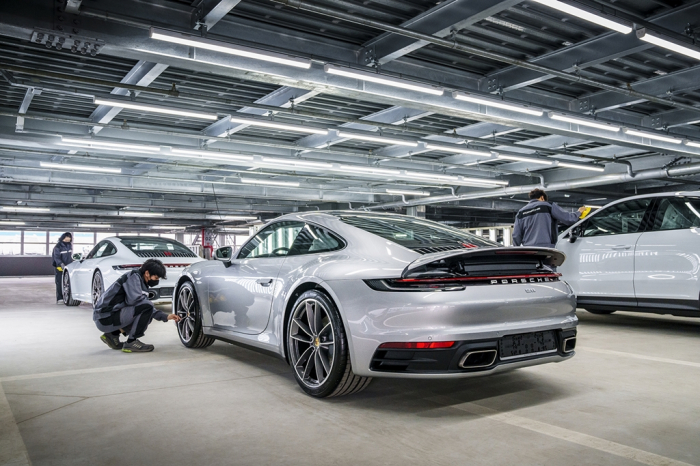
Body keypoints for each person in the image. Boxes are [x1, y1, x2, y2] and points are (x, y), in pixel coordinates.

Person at [93, 258, 180, 353]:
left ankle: (112, 335)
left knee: (147, 310)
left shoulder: (141, 282)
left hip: (109, 316)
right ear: (147, 273)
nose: (157, 281)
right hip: (105, 317)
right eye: (156, 278)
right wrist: (161, 315)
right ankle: (131, 342)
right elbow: (135, 301)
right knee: (146, 309)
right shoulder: (133, 276)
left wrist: (165, 316)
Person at [513, 188, 586, 248]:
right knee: (546, 266)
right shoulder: (548, 206)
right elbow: (568, 219)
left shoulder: (521, 212)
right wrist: (578, 212)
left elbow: (516, 235)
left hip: (528, 249)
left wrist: (516, 249)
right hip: (546, 248)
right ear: (542, 197)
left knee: (532, 266)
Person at [52, 232, 73, 303]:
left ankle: (68, 297)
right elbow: (56, 258)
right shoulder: (58, 247)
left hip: (68, 266)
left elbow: (69, 256)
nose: (68, 240)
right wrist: (61, 264)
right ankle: (60, 298)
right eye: (67, 238)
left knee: (67, 282)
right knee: (60, 282)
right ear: (63, 238)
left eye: (69, 238)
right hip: (59, 267)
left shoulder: (69, 245)